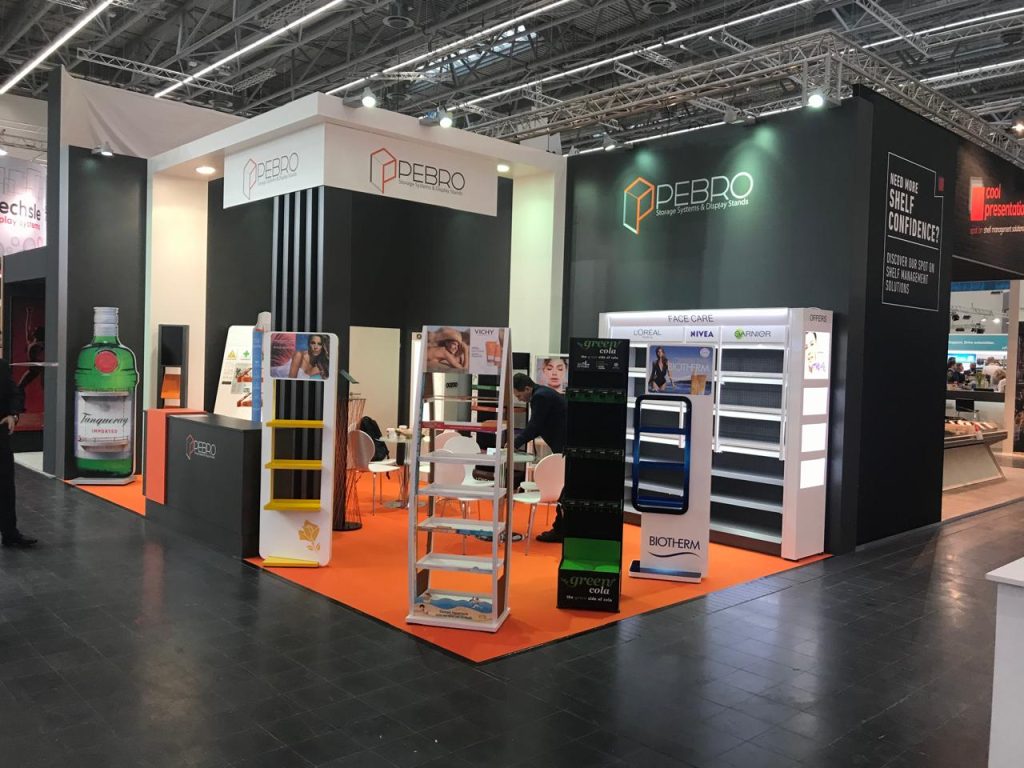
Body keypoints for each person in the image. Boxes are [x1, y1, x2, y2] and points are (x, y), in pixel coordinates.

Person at [512, 373, 567, 543]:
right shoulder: (543, 393)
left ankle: (560, 530)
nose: (520, 399)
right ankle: (562, 528)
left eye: (519, 395)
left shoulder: (540, 397)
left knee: (565, 490)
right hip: (565, 444)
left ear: (527, 388)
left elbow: (534, 426)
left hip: (566, 446)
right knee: (565, 489)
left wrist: (514, 443)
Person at [0, 358, 36, 548]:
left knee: (5, 485)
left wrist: (13, 414)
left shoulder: (1, 365)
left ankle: (10, 533)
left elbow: (15, 393)